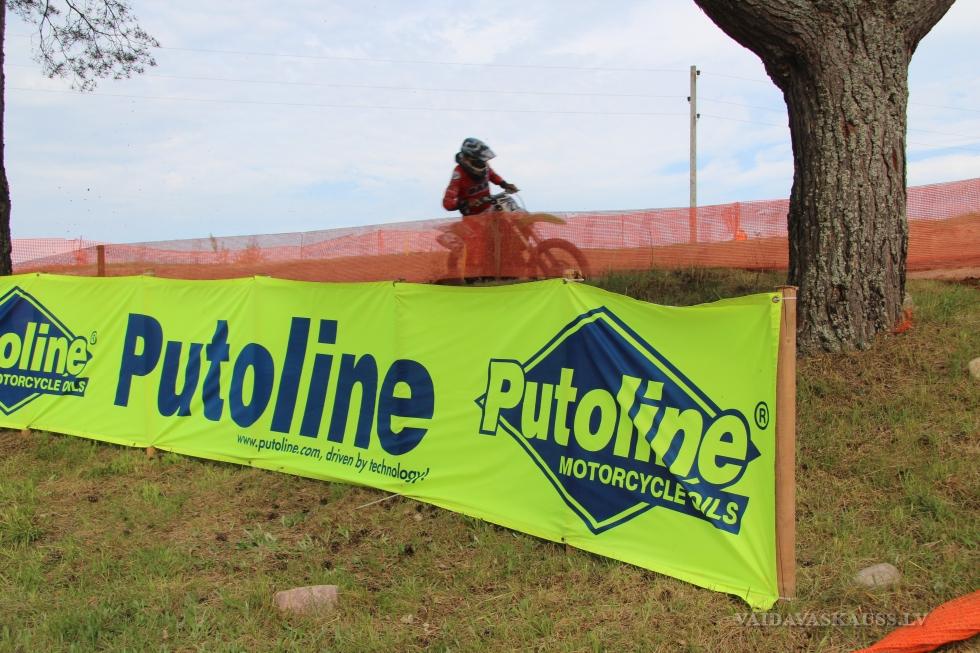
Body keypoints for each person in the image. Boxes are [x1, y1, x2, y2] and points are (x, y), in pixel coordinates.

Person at [442, 137, 519, 216]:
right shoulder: (459, 174)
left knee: (508, 205)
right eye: (480, 161)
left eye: (484, 161)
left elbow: (492, 175)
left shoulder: (485, 167)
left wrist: (504, 184)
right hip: (473, 216)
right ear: (468, 158)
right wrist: (465, 203)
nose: (483, 163)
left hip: (488, 208)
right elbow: (447, 203)